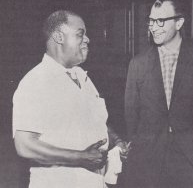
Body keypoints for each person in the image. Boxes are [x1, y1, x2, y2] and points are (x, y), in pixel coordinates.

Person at [13, 10, 129, 188]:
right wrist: (80, 157)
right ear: (59, 37)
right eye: (80, 34)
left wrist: (115, 141)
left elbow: (94, 121)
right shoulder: (35, 81)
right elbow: (24, 145)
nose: (88, 39)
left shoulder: (83, 77)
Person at [124, 0, 193, 188]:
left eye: (161, 21)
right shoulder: (138, 64)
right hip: (149, 160)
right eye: (151, 21)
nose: (154, 27)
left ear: (179, 23)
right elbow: (131, 115)